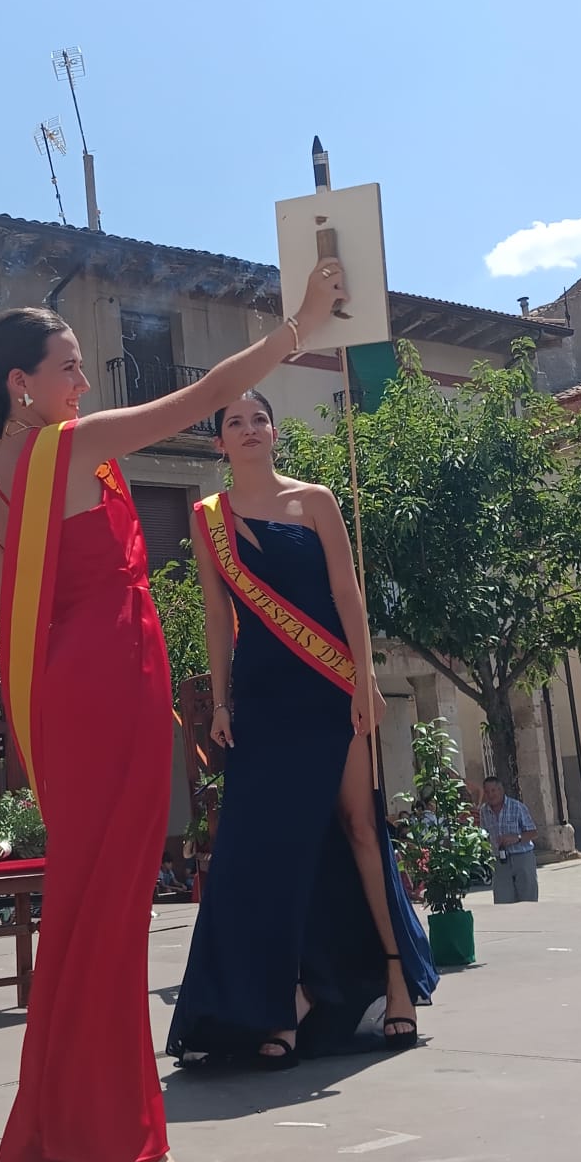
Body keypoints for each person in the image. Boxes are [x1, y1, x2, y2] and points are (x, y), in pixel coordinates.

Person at [0, 257, 344, 1162]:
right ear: (24, 384)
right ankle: (122, 1145)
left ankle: (81, 1140)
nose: (84, 382)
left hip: (69, 690)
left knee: (87, 912)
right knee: (112, 915)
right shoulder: (68, 447)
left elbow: (24, 609)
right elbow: (210, 394)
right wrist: (297, 325)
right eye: (68, 367)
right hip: (112, 678)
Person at [169, 391, 435, 1070]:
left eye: (259, 418)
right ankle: (284, 997)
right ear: (220, 444)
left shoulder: (315, 500)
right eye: (235, 423)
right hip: (261, 696)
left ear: (275, 431)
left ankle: (396, 978)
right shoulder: (209, 519)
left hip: (330, 686)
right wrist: (221, 703)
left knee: (359, 828)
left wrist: (365, 678)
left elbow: (348, 593)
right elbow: (215, 619)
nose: (250, 428)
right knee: (267, 850)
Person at [478, 776, 539, 903]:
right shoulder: (484, 811)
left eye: (493, 790)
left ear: (501, 790)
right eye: (487, 791)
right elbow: (484, 834)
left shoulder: (517, 807)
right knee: (502, 901)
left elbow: (533, 832)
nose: (490, 795)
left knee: (528, 899)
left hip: (522, 857)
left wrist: (517, 838)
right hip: (499, 860)